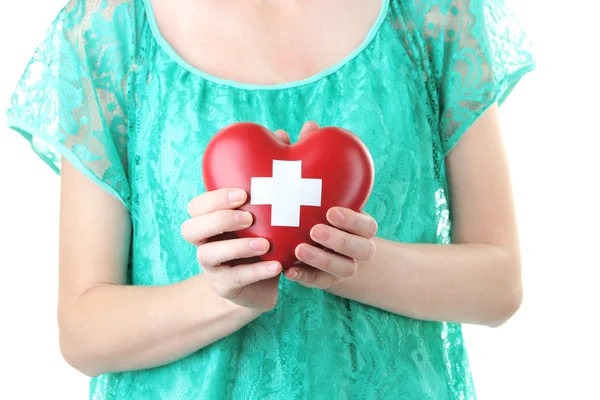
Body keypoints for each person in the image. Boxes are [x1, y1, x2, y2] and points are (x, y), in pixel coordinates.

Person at [6, 0, 535, 398]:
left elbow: (498, 283)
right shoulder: (107, 29)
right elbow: (82, 331)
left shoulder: (434, 14)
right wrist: (222, 295)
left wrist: (346, 261)